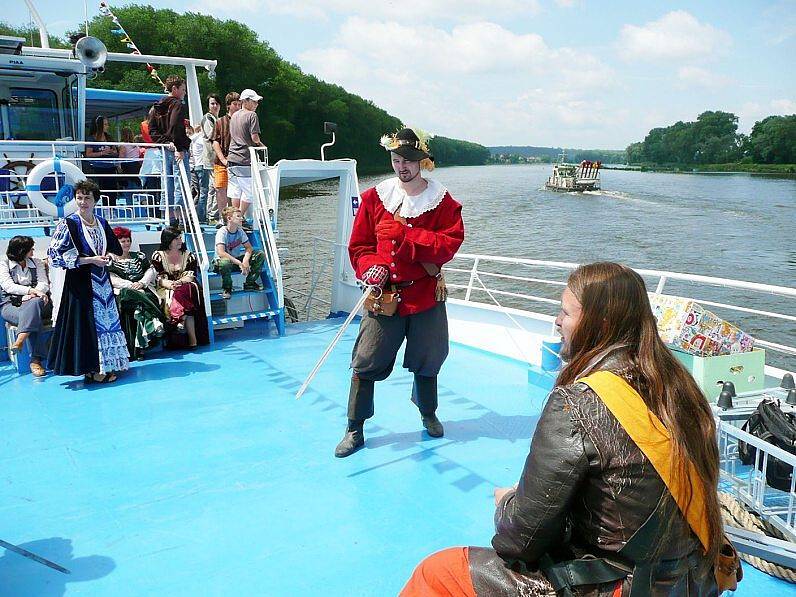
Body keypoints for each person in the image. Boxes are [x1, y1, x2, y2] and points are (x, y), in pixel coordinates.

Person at [401, 262, 727, 596]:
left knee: (439, 572)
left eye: (565, 313)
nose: (557, 322)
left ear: (598, 324)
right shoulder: (682, 389)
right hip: (691, 580)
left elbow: (519, 541)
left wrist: (506, 504)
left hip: (627, 587)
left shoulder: (578, 402)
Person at [334, 127, 465, 458]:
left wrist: (407, 234)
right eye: (395, 160)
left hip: (424, 296)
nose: (401, 167)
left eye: (407, 160)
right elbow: (360, 246)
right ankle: (355, 427)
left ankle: (428, 413)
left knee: (428, 359)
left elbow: (448, 246)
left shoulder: (443, 202)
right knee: (366, 360)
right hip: (385, 296)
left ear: (422, 161)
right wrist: (370, 268)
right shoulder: (374, 198)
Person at [47, 180, 129, 383]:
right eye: (79, 198)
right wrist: (88, 260)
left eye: (87, 198)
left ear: (95, 201)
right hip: (80, 283)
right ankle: (91, 369)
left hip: (102, 282)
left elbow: (114, 249)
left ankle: (105, 365)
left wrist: (107, 256)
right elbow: (54, 255)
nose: (83, 202)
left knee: (105, 324)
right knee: (86, 325)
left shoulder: (101, 222)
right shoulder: (69, 223)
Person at [107, 227, 165, 360]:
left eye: (128, 240)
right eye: (122, 241)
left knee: (139, 309)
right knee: (129, 294)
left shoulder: (139, 256)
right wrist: (131, 285)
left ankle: (140, 348)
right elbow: (111, 278)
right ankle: (155, 320)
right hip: (123, 292)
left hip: (143, 290)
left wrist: (142, 283)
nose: (126, 244)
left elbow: (151, 271)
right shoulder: (110, 259)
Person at [151, 226, 209, 349]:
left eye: (180, 238)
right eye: (176, 239)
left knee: (184, 290)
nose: (180, 241)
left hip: (187, 285)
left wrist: (179, 282)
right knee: (181, 300)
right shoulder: (158, 256)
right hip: (165, 287)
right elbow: (157, 277)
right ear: (168, 240)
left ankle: (180, 319)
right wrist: (170, 284)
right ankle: (190, 337)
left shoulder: (189, 255)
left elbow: (191, 275)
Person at [0, 236, 51, 377]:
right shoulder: (3, 265)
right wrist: (30, 291)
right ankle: (35, 361)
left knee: (33, 305)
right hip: (11, 305)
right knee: (33, 316)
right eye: (31, 249)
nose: (33, 251)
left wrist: (34, 295)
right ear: (22, 251)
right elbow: (8, 286)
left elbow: (43, 283)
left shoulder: (38, 263)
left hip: (39, 301)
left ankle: (20, 339)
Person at [149, 75, 191, 224]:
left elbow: (152, 130)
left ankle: (167, 215)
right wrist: (179, 147)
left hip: (165, 148)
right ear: (175, 89)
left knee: (166, 182)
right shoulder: (177, 104)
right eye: (183, 90)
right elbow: (175, 126)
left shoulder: (156, 107)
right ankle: (181, 217)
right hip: (177, 149)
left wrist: (165, 142)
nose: (184, 93)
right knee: (181, 181)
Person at [226, 88, 265, 228]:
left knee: (235, 192)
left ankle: (234, 218)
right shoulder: (252, 116)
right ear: (246, 101)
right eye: (254, 101)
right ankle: (238, 218)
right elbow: (254, 138)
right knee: (249, 193)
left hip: (231, 158)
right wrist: (262, 146)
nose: (256, 104)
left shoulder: (234, 116)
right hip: (244, 158)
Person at [212, 206, 265, 299]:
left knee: (260, 254)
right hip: (220, 264)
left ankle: (250, 283)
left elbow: (249, 248)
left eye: (241, 216)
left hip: (235, 262)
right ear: (229, 218)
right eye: (238, 216)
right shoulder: (222, 232)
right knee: (225, 262)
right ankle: (227, 288)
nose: (241, 218)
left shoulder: (240, 231)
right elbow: (221, 253)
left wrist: (245, 260)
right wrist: (240, 263)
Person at [211, 92, 241, 227]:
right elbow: (215, 142)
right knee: (220, 188)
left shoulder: (242, 121)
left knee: (235, 191)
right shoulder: (220, 122)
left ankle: (235, 217)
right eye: (235, 104)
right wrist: (223, 159)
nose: (238, 107)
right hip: (221, 162)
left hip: (238, 162)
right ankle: (222, 218)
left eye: (239, 104)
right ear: (229, 106)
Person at [84, 115, 119, 207]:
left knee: (112, 191)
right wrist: (102, 153)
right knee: (100, 190)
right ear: (99, 126)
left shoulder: (109, 137)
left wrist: (111, 152)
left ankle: (112, 209)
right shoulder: (91, 139)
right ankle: (103, 209)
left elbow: (115, 151)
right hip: (98, 168)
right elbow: (88, 154)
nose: (107, 126)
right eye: (105, 124)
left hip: (110, 167)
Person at [201, 94, 222, 225]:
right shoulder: (208, 118)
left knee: (213, 187)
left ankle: (211, 215)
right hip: (212, 157)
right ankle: (212, 215)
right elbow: (211, 135)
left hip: (215, 158)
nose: (214, 106)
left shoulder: (216, 118)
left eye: (216, 103)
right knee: (216, 186)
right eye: (212, 103)